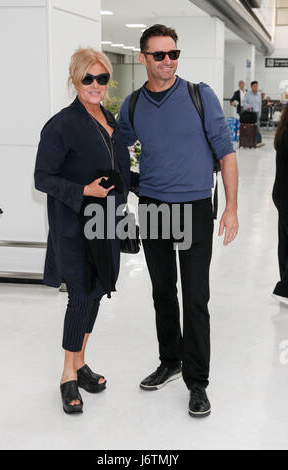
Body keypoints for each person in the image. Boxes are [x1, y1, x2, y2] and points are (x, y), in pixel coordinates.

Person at [118, 24, 239, 418]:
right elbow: (117, 151)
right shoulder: (132, 105)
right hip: (153, 208)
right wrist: (130, 188)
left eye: (173, 54)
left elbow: (226, 154)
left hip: (194, 210)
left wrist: (232, 208)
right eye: (159, 55)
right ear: (144, 59)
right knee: (162, 292)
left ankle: (198, 382)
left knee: (196, 297)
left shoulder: (198, 95)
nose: (168, 61)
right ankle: (170, 360)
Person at [34, 48, 131, 414]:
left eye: (101, 78)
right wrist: (83, 192)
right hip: (74, 228)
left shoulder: (109, 120)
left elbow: (117, 170)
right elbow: (42, 177)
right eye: (87, 78)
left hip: (107, 224)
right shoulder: (62, 124)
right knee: (79, 297)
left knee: (95, 292)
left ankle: (80, 362)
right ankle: (66, 375)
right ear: (74, 81)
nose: (95, 85)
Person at [272, 104, 288, 306]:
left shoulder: (283, 131)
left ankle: (284, 286)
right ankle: (284, 288)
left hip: (281, 194)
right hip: (286, 195)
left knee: (284, 241)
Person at [243, 81, 264, 147]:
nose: (256, 88)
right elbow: (244, 103)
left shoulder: (259, 95)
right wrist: (248, 106)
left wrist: (260, 114)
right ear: (251, 87)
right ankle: (250, 141)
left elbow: (260, 105)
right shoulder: (247, 94)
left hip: (257, 113)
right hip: (250, 113)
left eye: (256, 86)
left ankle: (258, 141)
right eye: (254, 86)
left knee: (257, 127)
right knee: (250, 127)